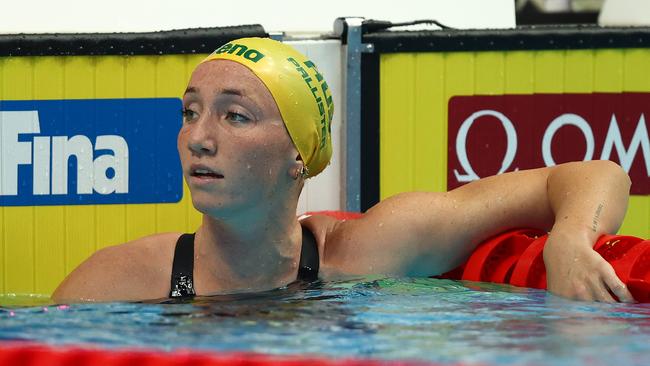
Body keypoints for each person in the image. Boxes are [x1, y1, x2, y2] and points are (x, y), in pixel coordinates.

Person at [52, 37, 634, 303]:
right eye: (191, 112)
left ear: (298, 155)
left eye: (235, 116)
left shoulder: (370, 251)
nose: (199, 138)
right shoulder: (118, 282)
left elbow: (595, 172)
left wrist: (571, 239)